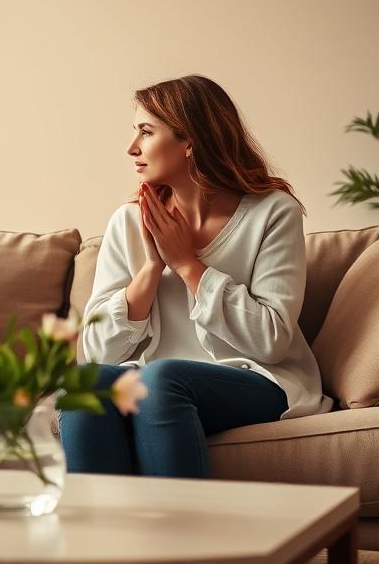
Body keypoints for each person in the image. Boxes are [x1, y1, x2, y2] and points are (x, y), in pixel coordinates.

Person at [59, 75, 332, 478]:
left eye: (146, 132)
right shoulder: (128, 222)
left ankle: (182, 539)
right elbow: (96, 353)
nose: (131, 147)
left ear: (189, 141)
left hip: (257, 380)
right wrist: (151, 269)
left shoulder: (273, 212)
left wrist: (188, 265)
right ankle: (100, 538)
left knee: (160, 377)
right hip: (156, 381)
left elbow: (271, 340)